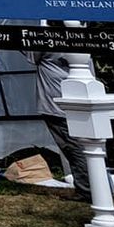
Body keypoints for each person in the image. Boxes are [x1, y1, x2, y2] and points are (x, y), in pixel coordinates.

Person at [35, 51, 93, 199]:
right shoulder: (79, 41)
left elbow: (25, 45)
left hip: (58, 106)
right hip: (82, 101)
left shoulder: (45, 42)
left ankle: (87, 190)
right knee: (86, 148)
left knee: (75, 150)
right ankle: (95, 188)